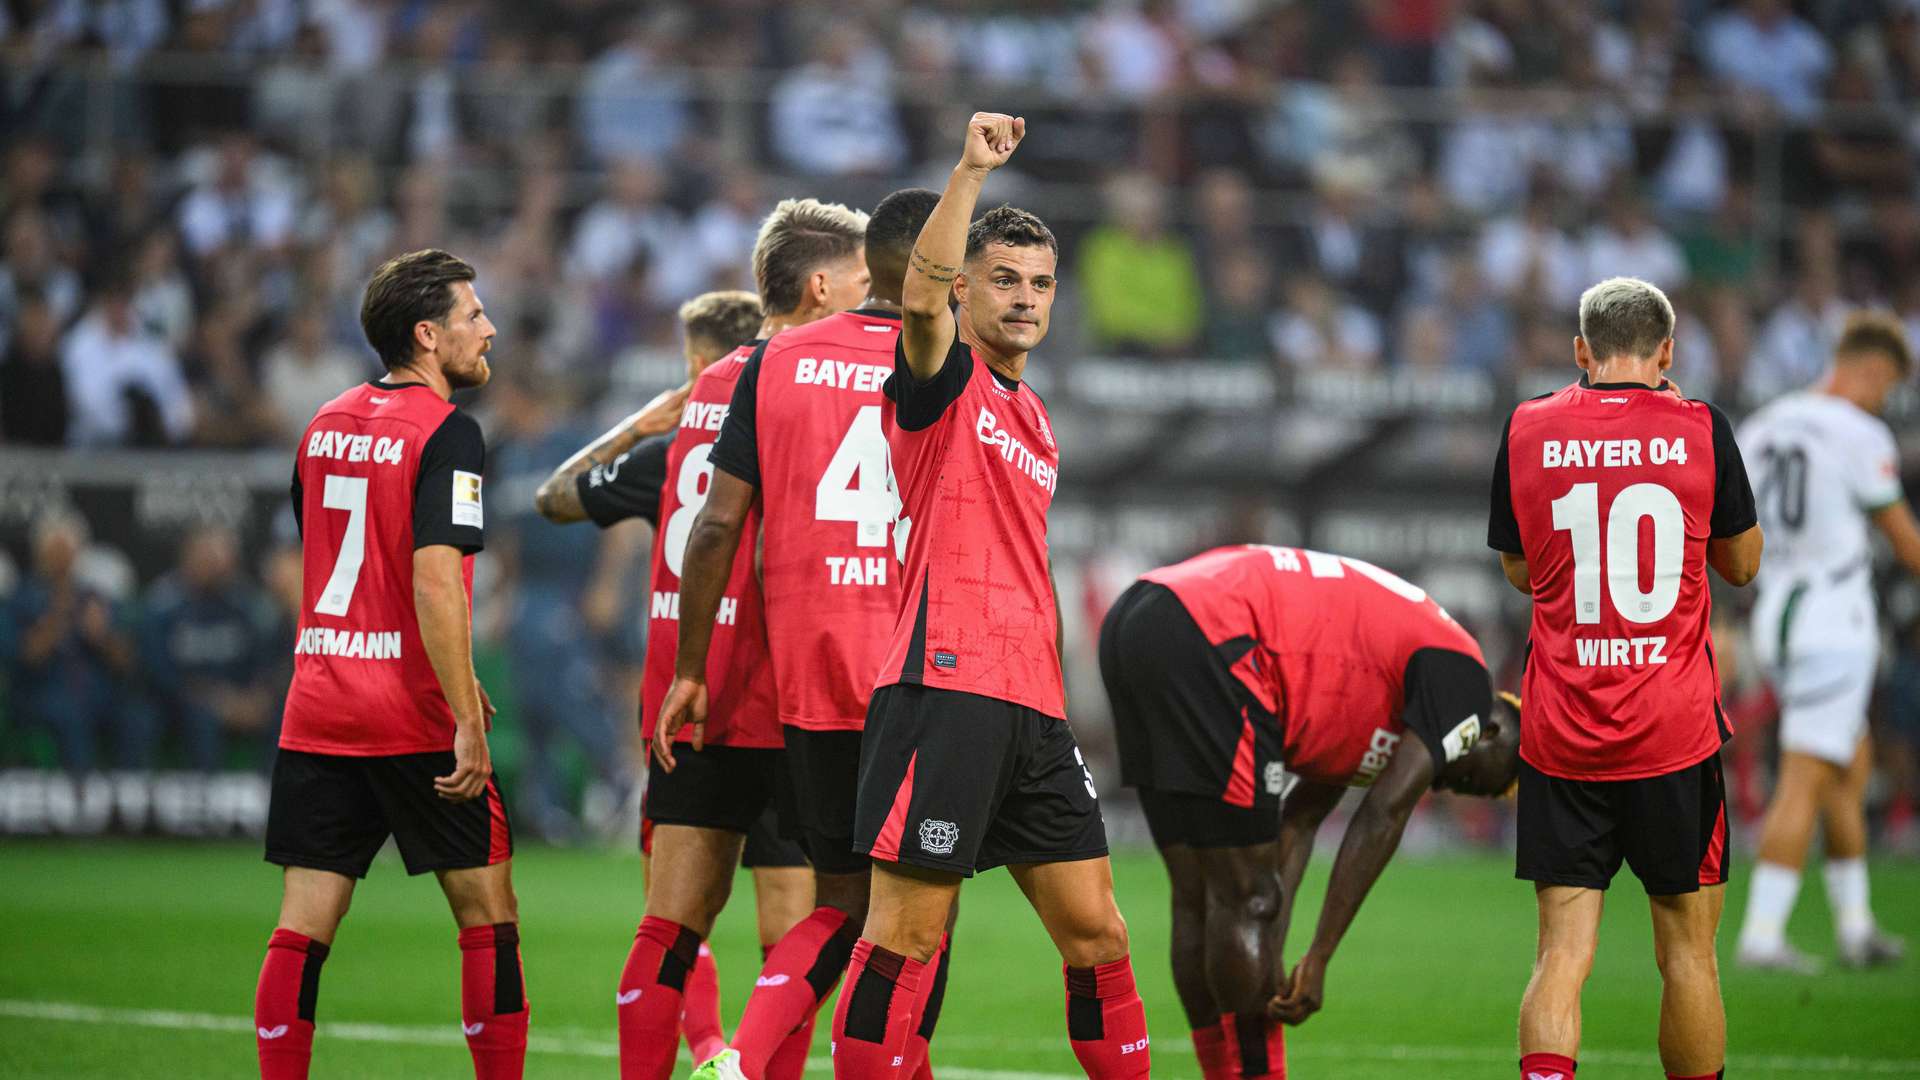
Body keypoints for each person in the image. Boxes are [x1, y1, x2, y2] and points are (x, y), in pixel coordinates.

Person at [855, 113, 1152, 1077]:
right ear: (967, 289)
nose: (1025, 300)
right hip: (943, 692)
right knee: (906, 936)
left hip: (1030, 708)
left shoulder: (1035, 416)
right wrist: (970, 172)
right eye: (1004, 281)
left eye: (1040, 284)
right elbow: (922, 295)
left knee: (1099, 934)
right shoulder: (942, 380)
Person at [665, 188, 943, 1080]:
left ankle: (739, 1057)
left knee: (836, 904)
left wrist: (691, 665)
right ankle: (886, 1063)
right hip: (917, 672)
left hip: (812, 675)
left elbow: (713, 529)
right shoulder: (945, 361)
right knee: (920, 909)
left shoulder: (773, 360)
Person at [598, 197, 872, 1079]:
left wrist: (685, 666)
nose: (876, 297)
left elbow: (578, 501)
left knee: (670, 919)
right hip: (791, 691)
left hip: (694, 682)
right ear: (822, 285)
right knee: (810, 924)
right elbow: (758, 535)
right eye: (866, 281)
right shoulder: (817, 376)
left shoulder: (710, 386)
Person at [1099, 544, 1524, 1079]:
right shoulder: (1465, 682)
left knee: (1203, 897)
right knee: (1244, 897)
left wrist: (1272, 946)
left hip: (1142, 616)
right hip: (1214, 635)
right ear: (1490, 733)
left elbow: (1299, 822)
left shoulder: (1377, 692)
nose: (1463, 790)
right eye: (1485, 784)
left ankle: (1223, 1071)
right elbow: (1384, 814)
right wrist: (1319, 954)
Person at [254, 250, 527, 1080]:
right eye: (472, 316)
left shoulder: (323, 422)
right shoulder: (450, 433)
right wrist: (466, 717)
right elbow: (434, 579)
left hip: (320, 704)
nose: (488, 330)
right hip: (409, 711)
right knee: (488, 915)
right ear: (425, 334)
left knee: (303, 924)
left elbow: (331, 557)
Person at [1488, 276, 1763, 1080]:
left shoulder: (1528, 426)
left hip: (1563, 731)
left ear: (1581, 351)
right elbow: (1742, 566)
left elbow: (1517, 569)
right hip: (1673, 732)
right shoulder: (1702, 428)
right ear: (1667, 352)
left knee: (1561, 952)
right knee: (1687, 954)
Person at [1733, 312, 1917, 971]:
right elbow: (1904, 540)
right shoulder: (1859, 431)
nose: (1883, 400)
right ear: (1870, 369)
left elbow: (1729, 527)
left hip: (1777, 609)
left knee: (1848, 769)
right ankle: (1761, 933)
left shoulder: (1763, 425)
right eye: (1886, 385)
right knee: (1806, 776)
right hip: (1834, 618)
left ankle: (1856, 926)